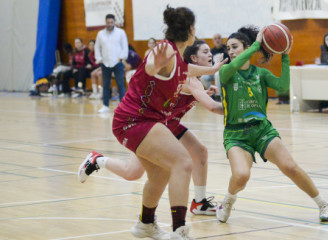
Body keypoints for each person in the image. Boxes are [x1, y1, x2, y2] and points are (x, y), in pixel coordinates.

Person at [80, 6, 226, 239]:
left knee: (159, 175)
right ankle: (179, 231)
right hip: (133, 119)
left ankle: (145, 224)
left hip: (147, 120)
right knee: (183, 162)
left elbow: (187, 68)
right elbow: (150, 65)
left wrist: (213, 68)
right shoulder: (165, 50)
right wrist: (153, 66)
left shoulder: (178, 59)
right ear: (189, 30)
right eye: (195, 27)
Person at [215, 25, 328, 224]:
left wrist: (286, 57)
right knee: (242, 175)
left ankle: (323, 204)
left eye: (235, 46)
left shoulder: (260, 74)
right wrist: (256, 45)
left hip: (261, 129)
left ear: (246, 47)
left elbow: (282, 87)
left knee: (290, 167)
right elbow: (233, 65)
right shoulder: (226, 72)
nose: (231, 51)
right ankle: (228, 200)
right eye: (228, 48)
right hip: (235, 134)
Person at [95, 14, 128, 113]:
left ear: (114, 22)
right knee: (105, 84)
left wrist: (121, 58)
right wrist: (99, 59)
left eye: (111, 22)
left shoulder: (121, 33)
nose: (110, 24)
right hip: (105, 63)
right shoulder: (100, 34)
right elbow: (97, 48)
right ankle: (105, 105)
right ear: (105, 22)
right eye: (108, 22)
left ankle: (123, 106)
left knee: (120, 84)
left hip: (117, 63)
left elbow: (124, 47)